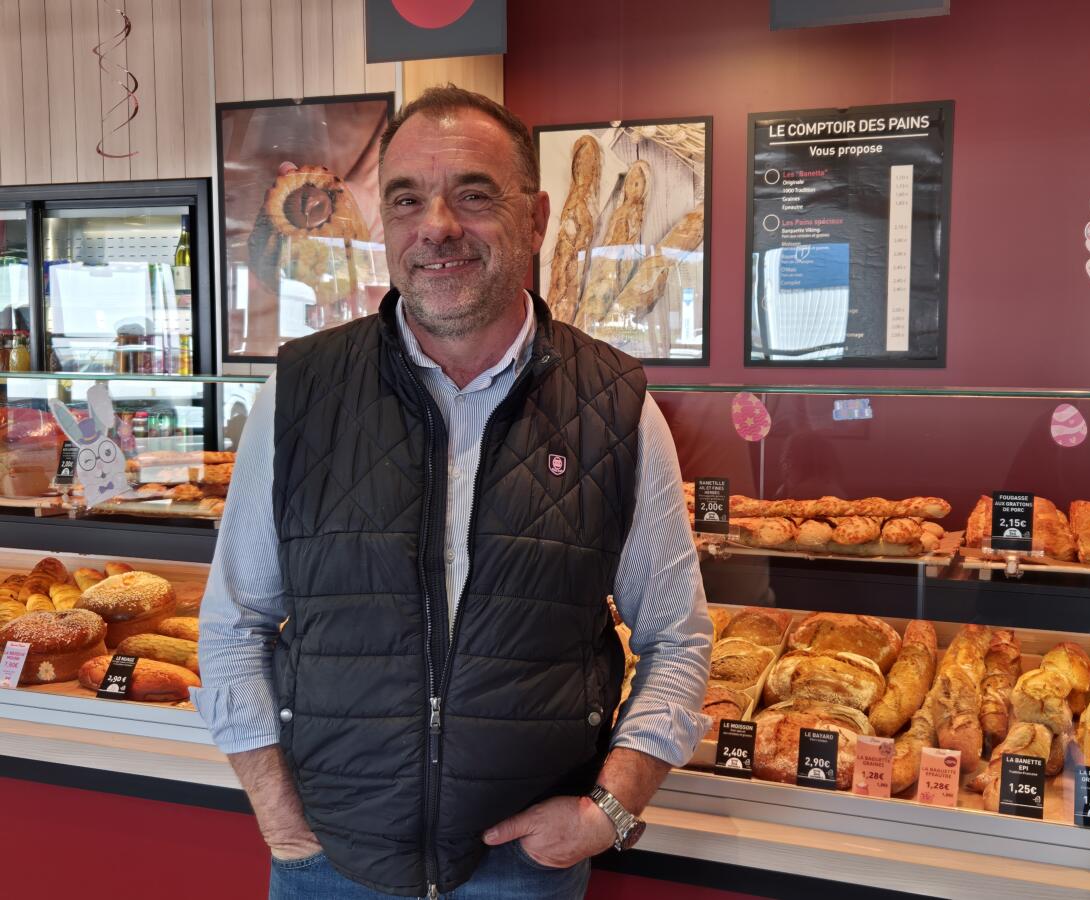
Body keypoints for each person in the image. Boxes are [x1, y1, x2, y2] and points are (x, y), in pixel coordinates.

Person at [193, 85, 711, 900]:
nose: (436, 226)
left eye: (473, 194)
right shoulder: (299, 393)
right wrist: (281, 819)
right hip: (330, 861)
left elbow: (677, 637)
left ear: (535, 219)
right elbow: (235, 624)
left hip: (521, 868)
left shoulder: (614, 403)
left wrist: (611, 809)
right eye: (407, 200)